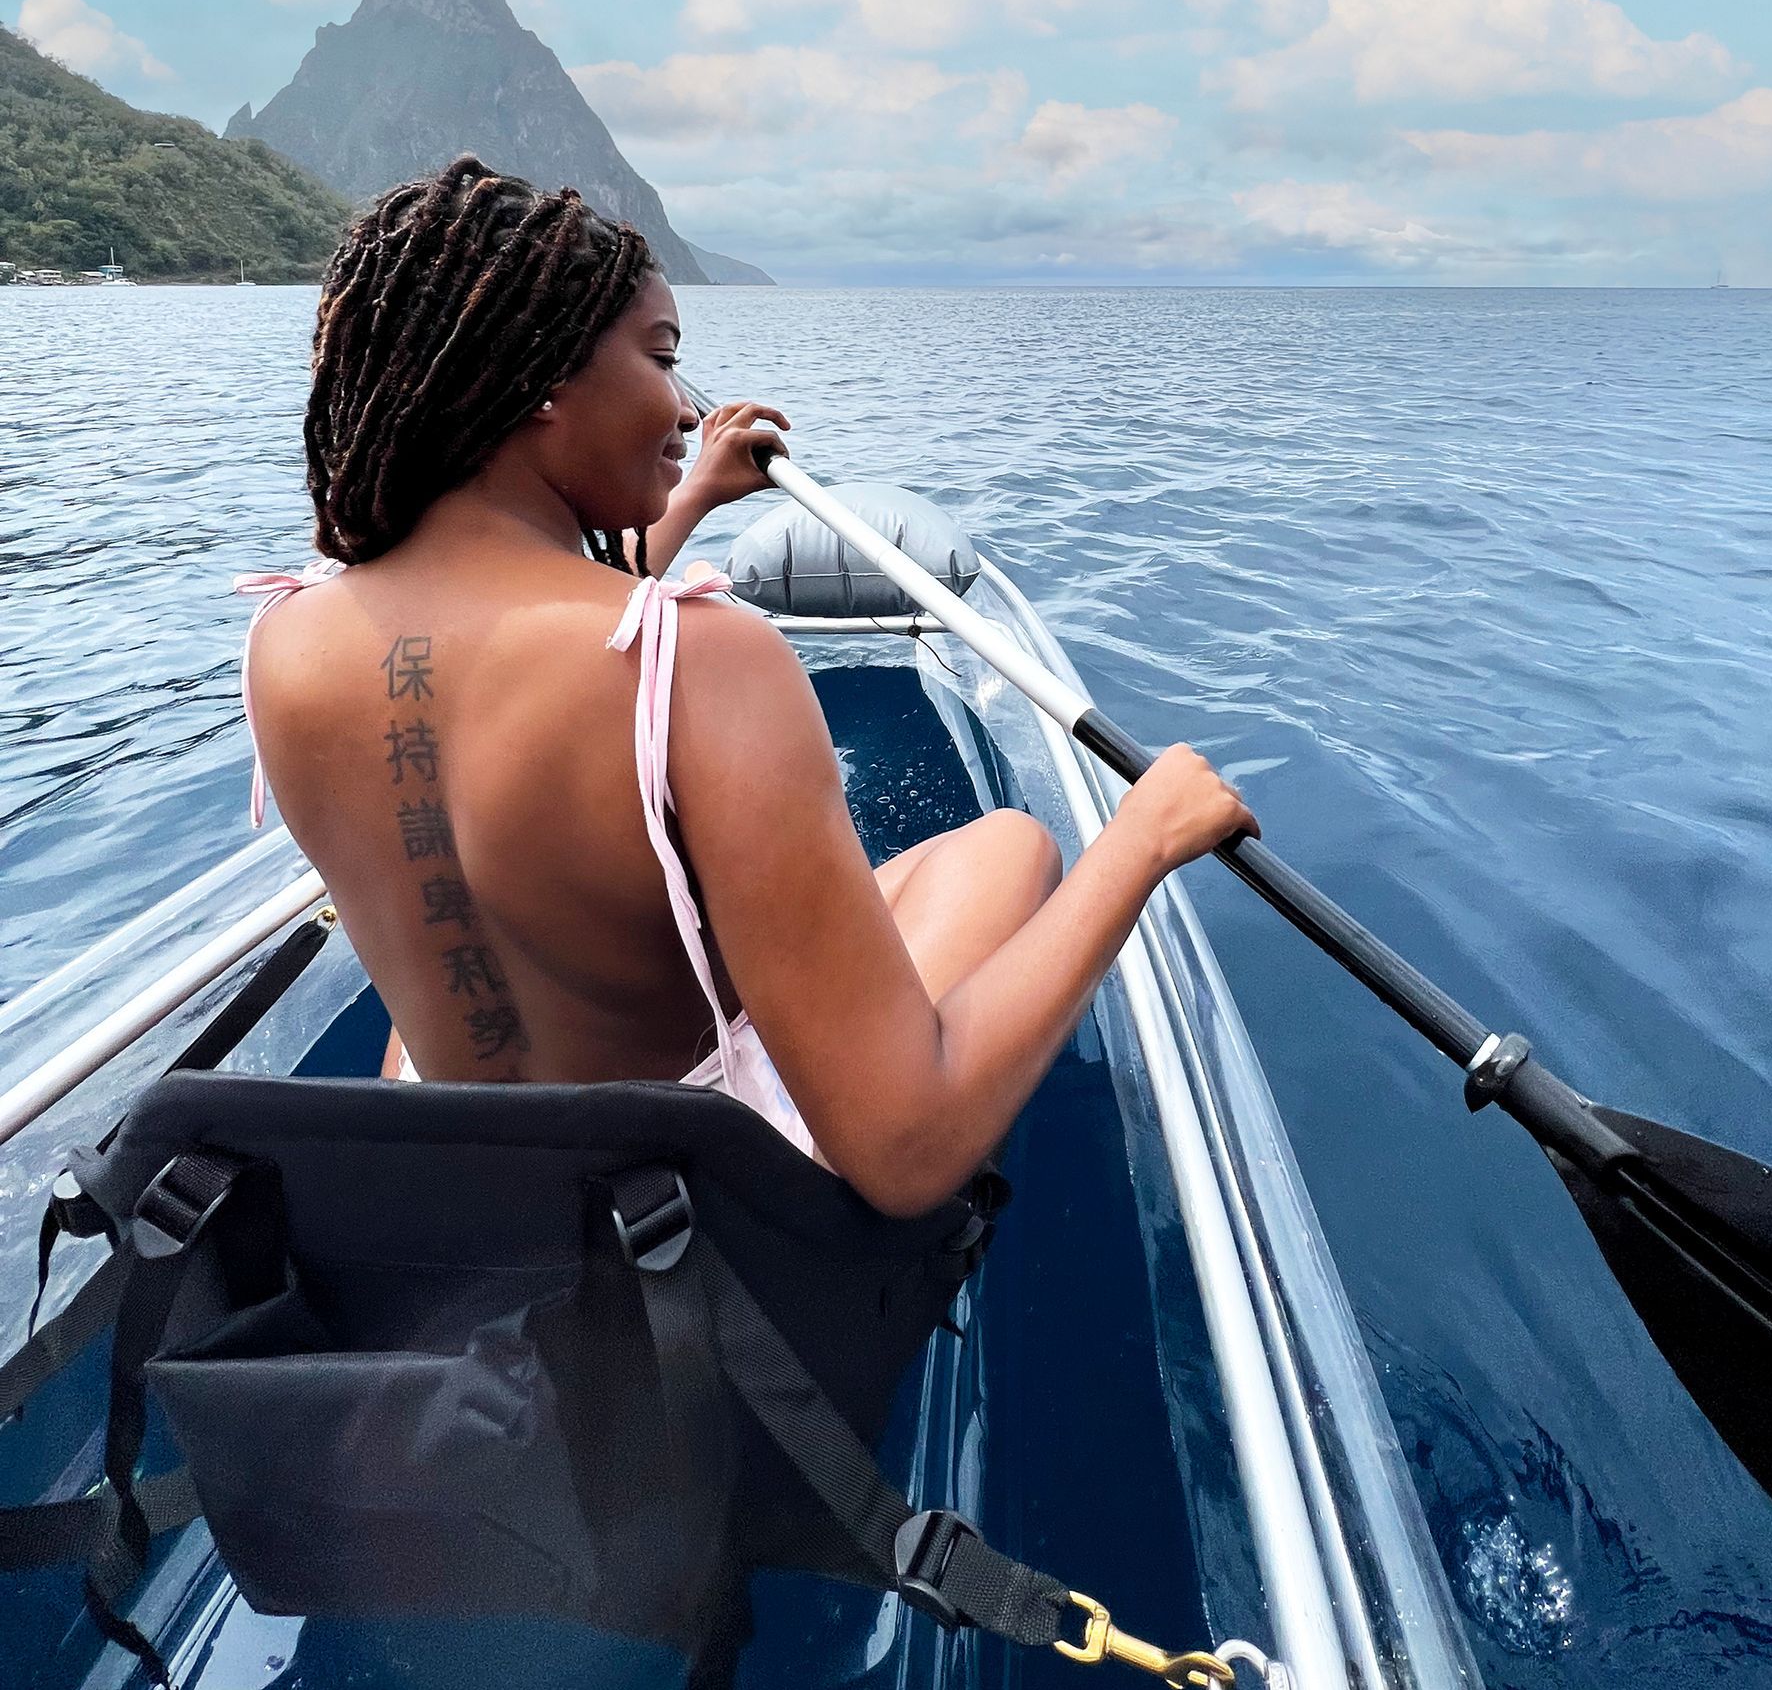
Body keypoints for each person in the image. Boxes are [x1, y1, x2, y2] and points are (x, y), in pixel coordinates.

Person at [244, 156, 1256, 1217]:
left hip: (467, 1172)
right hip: (673, 1209)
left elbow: (525, 635)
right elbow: (904, 1152)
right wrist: (1142, 841)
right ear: (540, 377)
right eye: (661, 357)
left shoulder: (288, 637)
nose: (685, 411)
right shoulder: (705, 661)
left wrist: (690, 501)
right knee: (1015, 845)